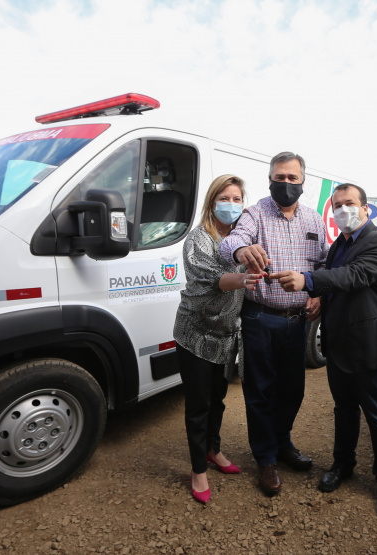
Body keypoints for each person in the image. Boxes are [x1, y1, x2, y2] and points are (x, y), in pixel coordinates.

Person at [270, 183, 377, 517]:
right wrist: (318, 298)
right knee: (344, 410)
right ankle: (343, 465)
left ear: (366, 208)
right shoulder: (339, 245)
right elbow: (335, 279)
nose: (343, 210)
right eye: (337, 205)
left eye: (350, 204)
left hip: (371, 346)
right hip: (340, 345)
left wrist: (308, 281)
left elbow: (354, 276)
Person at [219, 152, 328, 496]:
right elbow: (231, 242)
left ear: (302, 182)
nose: (285, 184)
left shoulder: (313, 220)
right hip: (260, 319)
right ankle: (266, 459)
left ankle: (282, 443)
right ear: (270, 179)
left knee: (292, 390)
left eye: (292, 178)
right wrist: (241, 253)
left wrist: (319, 292)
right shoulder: (255, 214)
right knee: (260, 391)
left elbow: (325, 264)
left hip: (297, 323)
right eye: (279, 177)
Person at [173, 174, 263, 504]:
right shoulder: (199, 239)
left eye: (238, 199)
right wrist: (243, 278)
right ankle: (198, 469)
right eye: (225, 198)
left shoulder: (241, 239)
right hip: (195, 334)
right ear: (212, 202)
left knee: (218, 398)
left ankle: (213, 449)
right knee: (198, 404)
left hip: (226, 335)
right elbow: (210, 280)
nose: (232, 205)